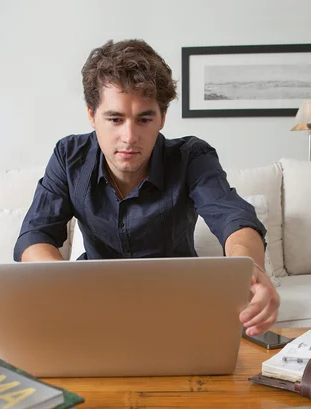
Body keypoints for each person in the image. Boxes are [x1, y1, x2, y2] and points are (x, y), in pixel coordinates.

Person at [14, 39, 279, 336]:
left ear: (162, 117)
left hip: (179, 302)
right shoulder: (69, 156)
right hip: (92, 300)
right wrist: (63, 285)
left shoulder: (191, 156)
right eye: (114, 119)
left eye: (144, 119)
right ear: (91, 115)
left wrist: (248, 269)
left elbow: (233, 217)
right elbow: (35, 235)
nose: (129, 137)